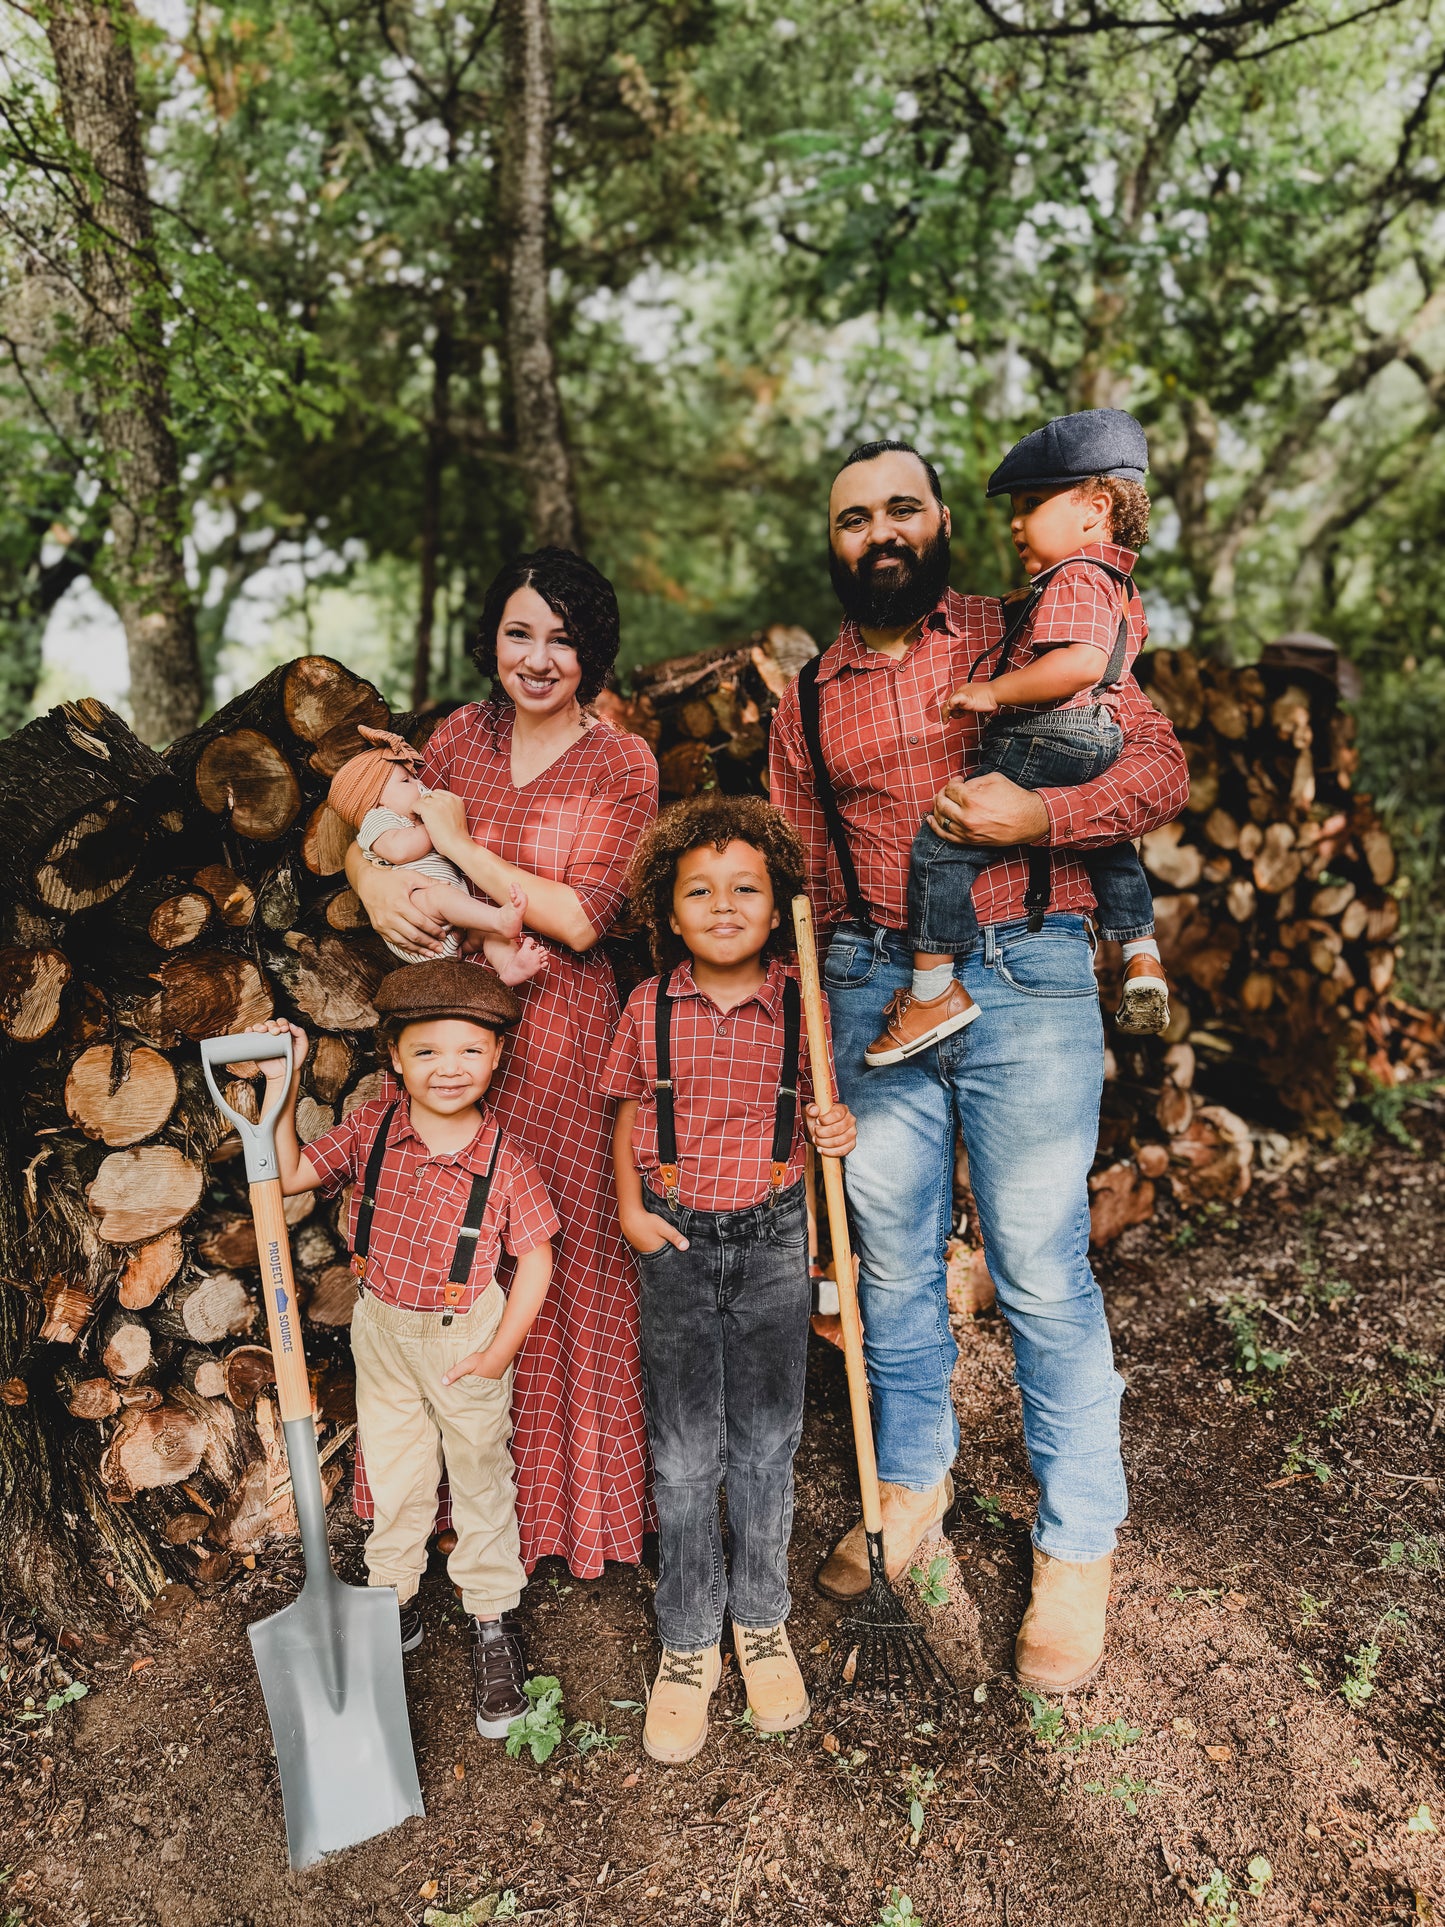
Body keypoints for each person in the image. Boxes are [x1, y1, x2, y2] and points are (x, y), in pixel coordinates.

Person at [769, 439, 1189, 1693]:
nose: (879, 532)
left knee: (1040, 1270)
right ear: (832, 542)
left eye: (901, 508)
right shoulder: (806, 696)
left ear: (941, 519)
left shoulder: (1032, 627)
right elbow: (800, 877)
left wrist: (1042, 814)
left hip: (1028, 973)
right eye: (853, 518)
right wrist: (810, 1029)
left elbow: (1155, 765)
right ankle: (911, 1485)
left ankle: (1075, 1542)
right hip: (872, 988)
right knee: (892, 1263)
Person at [345, 548, 658, 1580]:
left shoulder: (621, 762)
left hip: (561, 1036)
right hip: (451, 1032)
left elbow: (582, 917)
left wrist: (467, 849)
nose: (537, 657)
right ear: (491, 640)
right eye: (519, 632)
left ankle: (568, 1514)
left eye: (562, 638)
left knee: (560, 1260)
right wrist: (369, 878)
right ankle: (445, 1513)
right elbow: (382, 835)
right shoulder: (458, 737)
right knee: (448, 1253)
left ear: (592, 650)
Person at [600, 796, 857, 1763]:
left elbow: (824, 1111)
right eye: (699, 891)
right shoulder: (647, 1006)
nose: (722, 905)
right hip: (675, 1236)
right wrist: (632, 1211)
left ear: (776, 903)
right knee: (681, 1452)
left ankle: (759, 1619)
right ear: (668, 913)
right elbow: (629, 1110)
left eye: (744, 888)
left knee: (766, 1440)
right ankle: (686, 1637)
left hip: (774, 1235)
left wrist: (836, 1129)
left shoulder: (801, 1003)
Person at [244, 961, 559, 1738]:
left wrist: (500, 1352)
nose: (448, 1068)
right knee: (394, 1470)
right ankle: (395, 1595)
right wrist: (282, 1088)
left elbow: (537, 1258)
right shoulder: (373, 1128)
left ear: (496, 1055)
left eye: (468, 1050)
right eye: (426, 1051)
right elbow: (289, 1174)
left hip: (465, 1338)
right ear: (393, 1055)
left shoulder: (506, 1160)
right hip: (382, 1330)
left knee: (480, 1476)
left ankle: (492, 1620)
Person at [868, 411, 1169, 1066]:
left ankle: (931, 991)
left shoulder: (1072, 576)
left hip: (1048, 730)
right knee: (1107, 843)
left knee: (942, 842)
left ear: (1095, 510)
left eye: (1031, 504)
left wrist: (994, 691)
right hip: (1100, 733)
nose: (1014, 522)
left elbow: (1080, 662)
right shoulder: (1113, 582)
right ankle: (1140, 952)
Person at [327, 724, 548, 983]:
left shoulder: (406, 818)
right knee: (444, 897)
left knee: (488, 932)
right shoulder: (378, 819)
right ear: (375, 799)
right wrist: (438, 826)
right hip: (419, 918)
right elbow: (399, 851)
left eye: (415, 778)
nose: (419, 784)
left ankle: (508, 966)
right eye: (406, 781)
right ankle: (500, 919)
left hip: (449, 926)